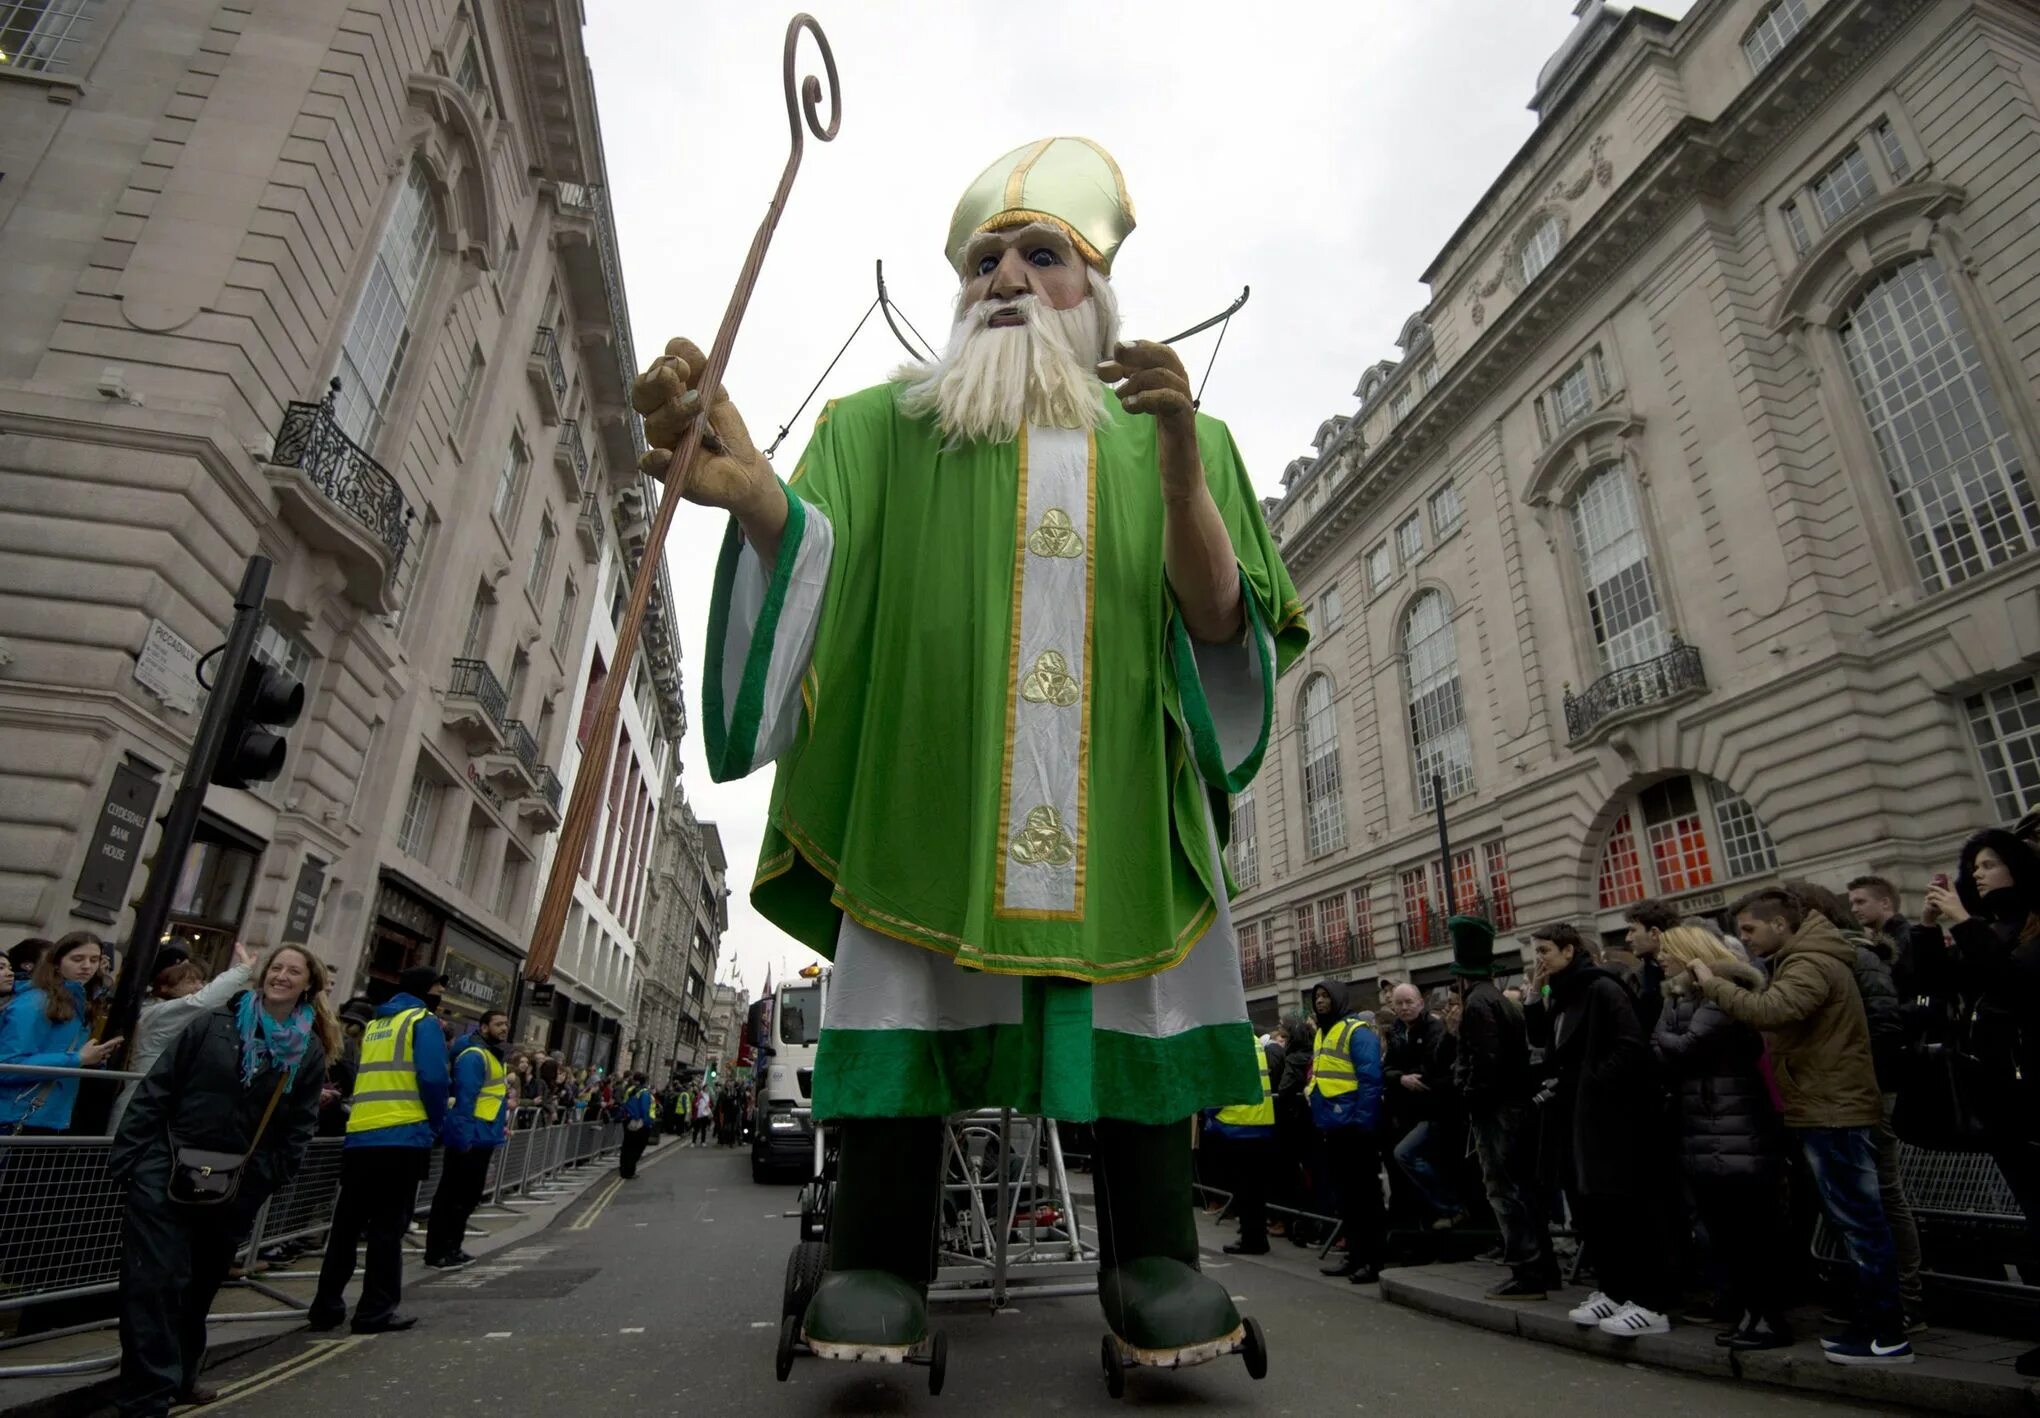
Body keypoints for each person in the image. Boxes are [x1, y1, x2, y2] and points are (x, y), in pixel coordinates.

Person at [643, 135, 1303, 1367]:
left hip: (1113, 814)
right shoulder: (879, 425)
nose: (1003, 276)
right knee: (904, 1000)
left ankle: (1156, 1257)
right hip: (927, 802)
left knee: (1141, 1012)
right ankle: (877, 1262)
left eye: (1039, 254)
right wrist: (759, 504)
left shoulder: (1186, 436)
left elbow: (1222, 628)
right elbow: (821, 569)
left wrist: (1175, 475)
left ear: (1094, 291)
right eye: (984, 259)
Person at [108, 946, 333, 1416]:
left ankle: (182, 1376)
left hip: (236, 1184)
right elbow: (157, 1091)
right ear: (262, 975)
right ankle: (145, 1397)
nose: (282, 976)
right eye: (276, 967)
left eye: (294, 971)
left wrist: (269, 1175)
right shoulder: (210, 1026)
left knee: (200, 1285)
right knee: (153, 1284)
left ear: (308, 985)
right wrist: (131, 1159)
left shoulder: (306, 1051)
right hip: (165, 1170)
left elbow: (299, 1125)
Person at [1693, 888, 1912, 1366]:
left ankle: (1887, 1333)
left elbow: (1772, 1011)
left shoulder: (1809, 961)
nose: (1744, 940)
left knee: (1861, 1224)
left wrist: (1713, 984)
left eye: (1750, 929)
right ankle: (1875, 1325)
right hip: (1826, 1104)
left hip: (1835, 1107)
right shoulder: (1806, 957)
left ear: (1780, 924)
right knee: (1856, 1223)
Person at [1915, 831, 2039, 1376]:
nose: (1981, 872)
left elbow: (2013, 982)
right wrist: (1926, 927)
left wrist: (1963, 922)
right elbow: (1933, 984)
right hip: (2001, 1096)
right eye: (1975, 865)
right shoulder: (1987, 928)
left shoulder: (2030, 924)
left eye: (1991, 863)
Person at [1524, 921, 1673, 1338]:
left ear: (1570, 951)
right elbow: (1545, 1042)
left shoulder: (1601, 988)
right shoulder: (1564, 992)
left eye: (1546, 951)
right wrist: (1536, 995)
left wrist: (1592, 1085)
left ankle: (1649, 1301)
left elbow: (1629, 1046)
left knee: (1624, 1209)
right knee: (1593, 1208)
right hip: (1576, 1118)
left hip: (1609, 1117)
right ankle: (1613, 1289)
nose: (1541, 959)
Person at [1788, 880, 1923, 1330]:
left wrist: (1864, 1086)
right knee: (1852, 1201)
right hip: (1837, 1094)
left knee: (1882, 1195)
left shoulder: (1857, 955)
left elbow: (1885, 1025)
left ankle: (1905, 1299)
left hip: (1867, 1092)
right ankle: (1868, 1293)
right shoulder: (1817, 959)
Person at [1650, 925, 1791, 1351]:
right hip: (1705, 1126)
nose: (1661, 958)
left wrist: (1664, 1039)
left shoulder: (1721, 992)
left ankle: (1767, 1317)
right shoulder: (1680, 996)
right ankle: (1749, 1313)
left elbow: (1684, 1045)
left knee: (1751, 1230)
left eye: (1668, 951)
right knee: (1727, 1230)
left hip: (1736, 1126)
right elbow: (1661, 1049)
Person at [307, 967, 450, 1334]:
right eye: (437, 989)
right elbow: (433, 1078)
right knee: (388, 1229)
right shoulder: (423, 1021)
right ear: (424, 991)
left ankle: (326, 1307)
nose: (440, 997)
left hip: (361, 1136)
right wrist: (436, 1122)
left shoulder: (377, 1025)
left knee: (346, 1227)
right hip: (402, 1135)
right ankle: (374, 1311)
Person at [1450, 915, 1554, 1300]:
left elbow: (1484, 1062)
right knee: (1521, 1188)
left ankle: (1527, 1271)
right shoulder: (1498, 1000)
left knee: (1503, 1190)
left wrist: (1470, 1096)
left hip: (1496, 1110)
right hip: (1513, 1104)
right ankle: (1543, 1267)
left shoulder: (1478, 1003)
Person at [110, 943, 257, 1128]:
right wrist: (242, 970)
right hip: (142, 1104)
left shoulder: (159, 1012)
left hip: (155, 1101)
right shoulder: (159, 1013)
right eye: (190, 982)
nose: (198, 987)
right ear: (165, 987)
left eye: (200, 981)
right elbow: (202, 1002)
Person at [0, 931, 124, 1131]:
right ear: (57, 962)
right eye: (77, 959)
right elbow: (7, 1064)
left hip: (47, 1117)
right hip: (17, 1116)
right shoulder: (34, 1003)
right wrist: (78, 1059)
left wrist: (92, 1059)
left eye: (94, 960)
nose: (87, 966)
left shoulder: (80, 1003)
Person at [1304, 979, 1385, 1284]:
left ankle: (1372, 1260)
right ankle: (1353, 1256)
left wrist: (1364, 1122)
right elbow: (1320, 1074)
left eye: (1326, 996)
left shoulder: (1356, 1031)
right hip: (1332, 1125)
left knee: (1365, 1197)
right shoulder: (1322, 1033)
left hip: (1354, 1126)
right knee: (1346, 1197)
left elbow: (1370, 1079)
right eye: (1317, 997)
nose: (1320, 1002)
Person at [425, 1009, 511, 1268]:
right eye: (498, 1024)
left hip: (483, 1135)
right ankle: (438, 1251)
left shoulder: (493, 1055)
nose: (504, 1028)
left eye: (506, 1024)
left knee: (468, 1197)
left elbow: (493, 1098)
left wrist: (499, 1128)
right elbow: (465, 1100)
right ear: (484, 1027)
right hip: (469, 1137)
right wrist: (462, 1138)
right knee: (452, 1196)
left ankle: (453, 1246)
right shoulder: (475, 1056)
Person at [1383, 982, 1457, 1226]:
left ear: (1420, 1003)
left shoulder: (1434, 1028)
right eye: (1399, 1003)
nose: (1404, 1008)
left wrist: (1407, 1076)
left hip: (1431, 1109)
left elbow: (1432, 1067)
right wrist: (1400, 1078)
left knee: (1407, 1154)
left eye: (1409, 1002)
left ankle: (1449, 1207)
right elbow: (1387, 1069)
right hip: (1403, 1112)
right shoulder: (1395, 1031)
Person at [1206, 1030, 1278, 1255]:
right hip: (1260, 1122)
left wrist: (1210, 1114)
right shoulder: (1253, 1040)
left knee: (1244, 1189)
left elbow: (1220, 1085)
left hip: (1237, 1124)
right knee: (1255, 1189)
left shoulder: (1228, 1040)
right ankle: (1256, 1237)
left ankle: (1251, 1239)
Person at [1622, 899, 1677, 1034]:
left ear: (1654, 933)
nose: (1627, 939)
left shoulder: (1693, 971)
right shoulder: (1631, 979)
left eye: (1633, 931)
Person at [619, 1073, 658, 1179]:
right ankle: (630, 1171)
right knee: (638, 1147)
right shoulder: (644, 1093)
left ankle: (624, 1170)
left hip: (628, 1120)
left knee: (627, 1146)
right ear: (645, 1081)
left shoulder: (630, 1090)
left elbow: (624, 1103)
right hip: (639, 1123)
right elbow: (645, 1109)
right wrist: (646, 1123)